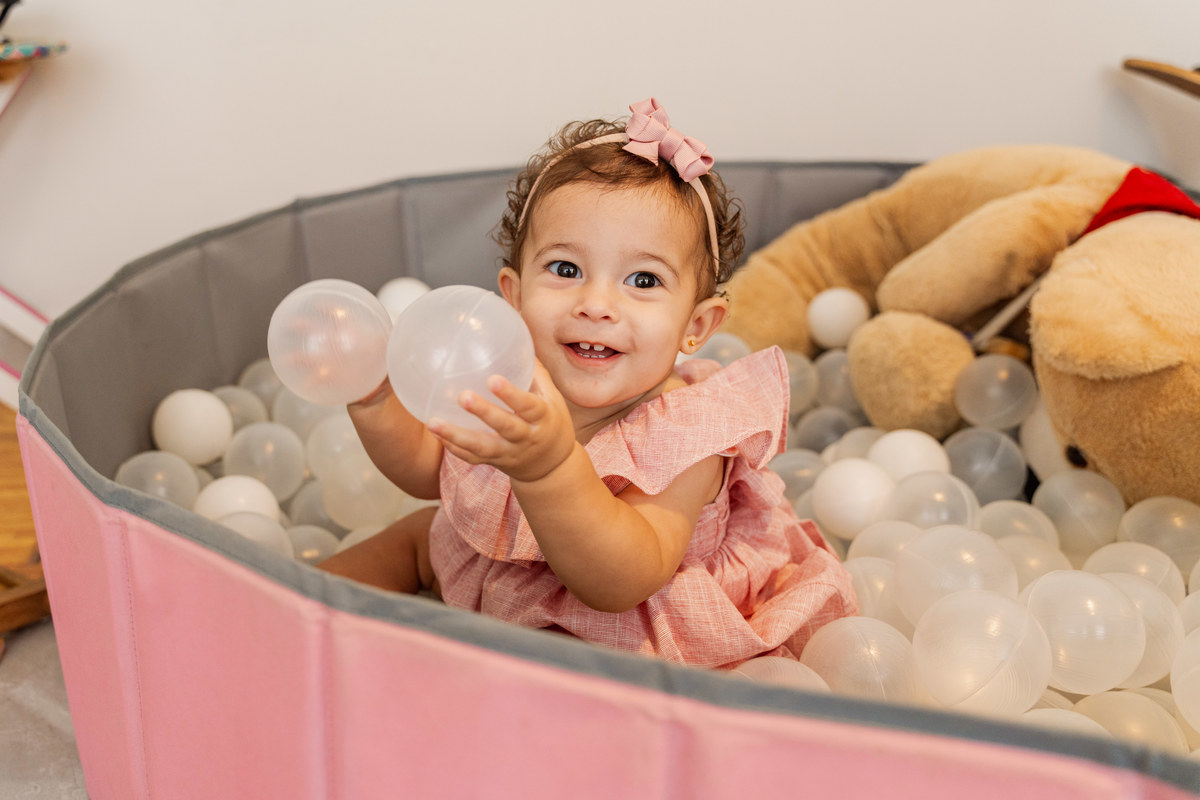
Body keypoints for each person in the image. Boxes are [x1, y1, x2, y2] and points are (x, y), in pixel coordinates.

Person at [319, 98, 856, 669]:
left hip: (626, 617)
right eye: (566, 270)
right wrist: (376, 398)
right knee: (420, 536)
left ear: (695, 327)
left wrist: (548, 469)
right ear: (515, 294)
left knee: (566, 660)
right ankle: (292, 606)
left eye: (643, 279)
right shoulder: (506, 372)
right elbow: (432, 469)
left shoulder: (688, 435)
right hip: (516, 570)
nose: (597, 305)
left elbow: (622, 581)